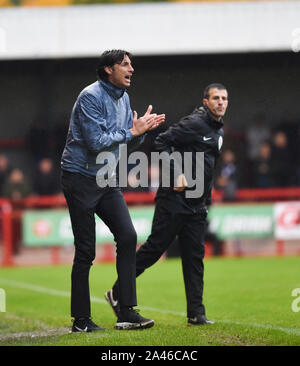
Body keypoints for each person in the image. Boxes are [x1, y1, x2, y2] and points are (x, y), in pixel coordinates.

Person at [105, 83, 228, 326]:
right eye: (215, 98)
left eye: (224, 98)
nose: (220, 102)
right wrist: (178, 172)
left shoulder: (218, 131)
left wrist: (205, 201)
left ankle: (196, 313)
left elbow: (207, 169)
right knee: (153, 250)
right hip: (173, 201)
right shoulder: (195, 123)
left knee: (195, 258)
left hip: (196, 206)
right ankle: (117, 293)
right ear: (206, 102)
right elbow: (161, 141)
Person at [61, 49, 165, 332]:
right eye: (125, 64)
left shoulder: (125, 98)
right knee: (86, 251)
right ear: (109, 69)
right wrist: (132, 132)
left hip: (105, 178)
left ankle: (126, 311)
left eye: (131, 64)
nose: (131, 69)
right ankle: (81, 321)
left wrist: (138, 133)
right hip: (80, 178)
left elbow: (119, 146)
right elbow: (96, 143)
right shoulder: (90, 97)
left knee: (128, 235)